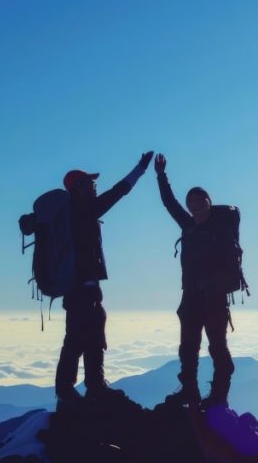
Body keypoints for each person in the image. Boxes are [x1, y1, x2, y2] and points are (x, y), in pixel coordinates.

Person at [56, 151, 153, 405]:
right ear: (79, 188)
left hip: (79, 289)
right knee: (83, 337)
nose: (95, 186)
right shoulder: (83, 211)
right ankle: (82, 388)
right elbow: (119, 191)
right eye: (90, 182)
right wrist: (140, 169)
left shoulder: (70, 214)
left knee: (84, 334)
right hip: (82, 289)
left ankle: (83, 386)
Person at [155, 153, 237, 408]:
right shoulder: (188, 225)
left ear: (209, 203)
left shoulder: (221, 231)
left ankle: (218, 397)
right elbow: (169, 203)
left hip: (213, 298)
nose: (196, 208)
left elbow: (230, 265)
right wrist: (161, 176)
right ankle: (189, 391)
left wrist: (213, 285)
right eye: (192, 205)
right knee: (188, 348)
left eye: (200, 203)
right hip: (191, 296)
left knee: (217, 348)